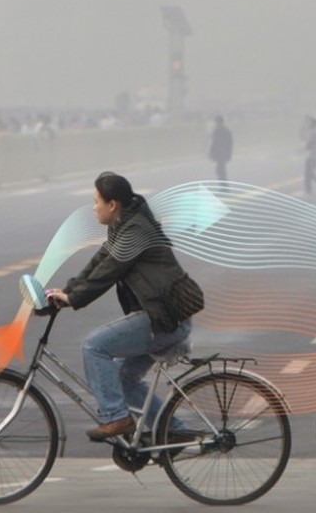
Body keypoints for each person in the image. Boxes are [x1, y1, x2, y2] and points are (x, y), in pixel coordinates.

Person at [45, 172, 205, 441]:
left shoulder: (136, 231)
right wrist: (68, 291)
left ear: (112, 205)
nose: (93, 207)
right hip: (161, 318)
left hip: (163, 321)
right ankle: (174, 432)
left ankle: (116, 418)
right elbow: (99, 262)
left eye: (96, 201)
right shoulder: (124, 225)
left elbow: (110, 270)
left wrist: (74, 299)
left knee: (94, 346)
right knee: (123, 380)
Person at [207, 115, 233, 182]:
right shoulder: (217, 131)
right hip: (219, 152)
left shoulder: (222, 131)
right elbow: (213, 142)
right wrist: (211, 151)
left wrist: (229, 152)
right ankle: (223, 180)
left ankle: (223, 180)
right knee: (220, 167)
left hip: (222, 151)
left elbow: (229, 143)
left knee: (220, 167)